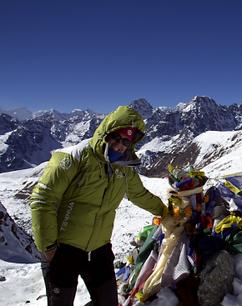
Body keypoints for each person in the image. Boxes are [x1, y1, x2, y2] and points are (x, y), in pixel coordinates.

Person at [30, 105, 167, 306]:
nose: (120, 146)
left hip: (99, 249)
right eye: (116, 138)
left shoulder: (124, 168)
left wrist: (166, 212)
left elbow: (139, 194)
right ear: (106, 134)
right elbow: (43, 200)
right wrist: (49, 247)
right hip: (63, 249)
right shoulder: (73, 158)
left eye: (126, 142)